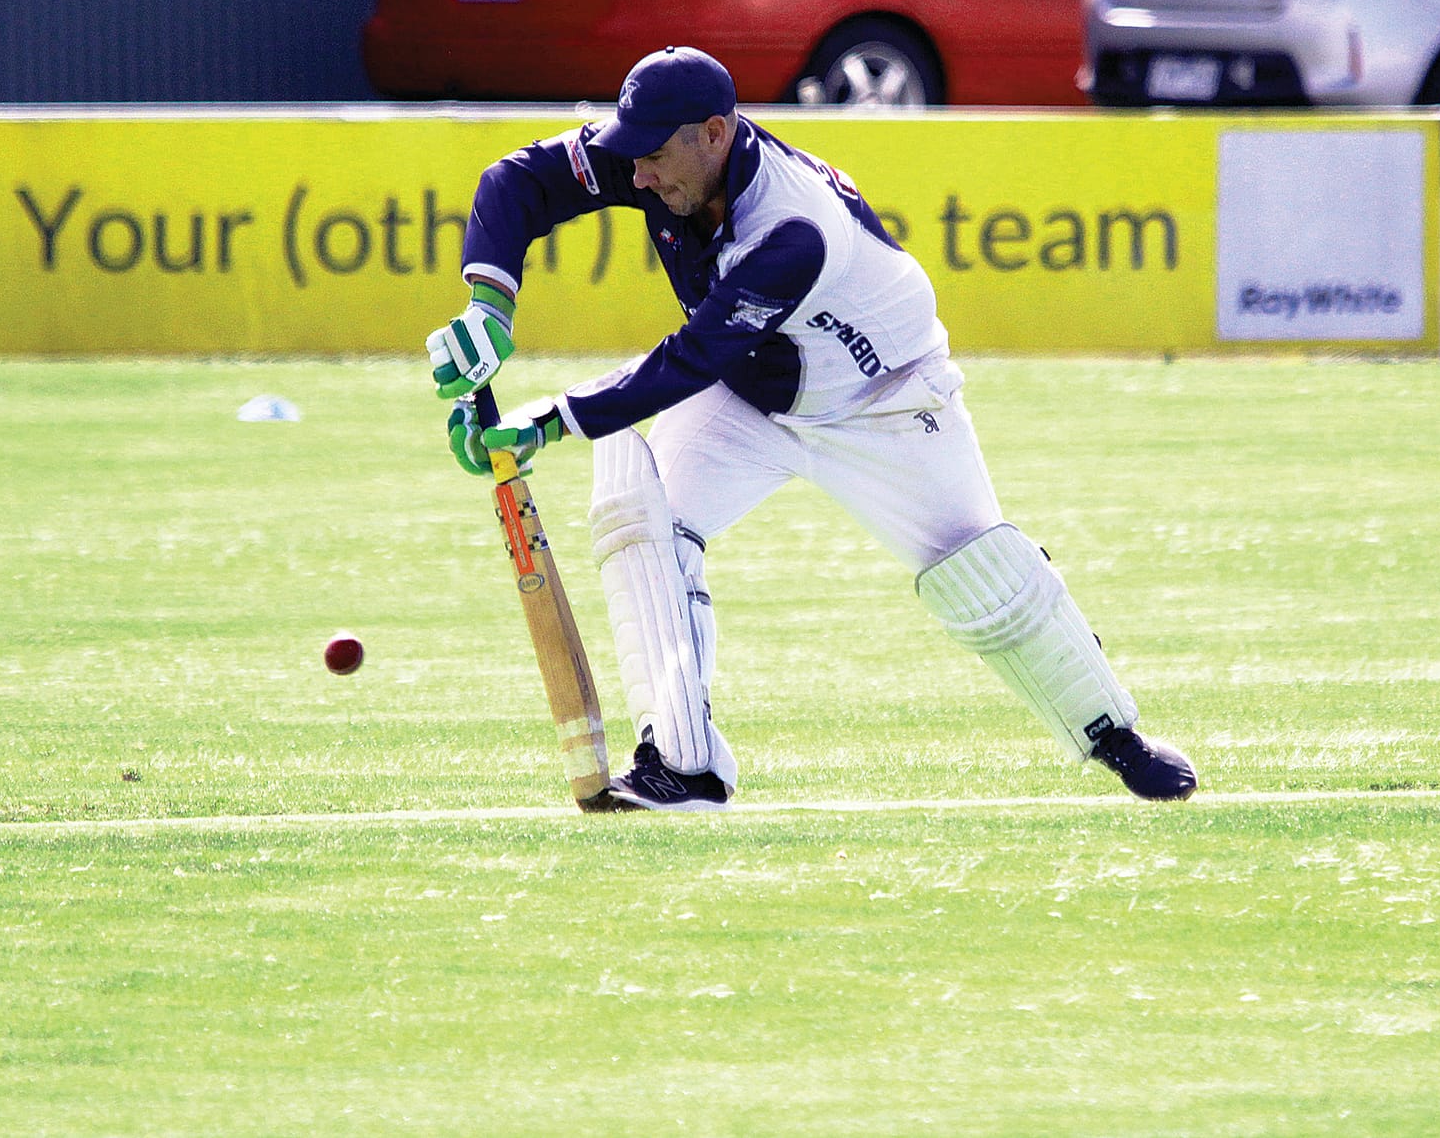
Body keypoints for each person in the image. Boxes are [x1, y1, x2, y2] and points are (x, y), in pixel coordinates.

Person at [426, 45, 1196, 811]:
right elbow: (516, 182)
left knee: (984, 579)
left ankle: (1115, 736)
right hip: (755, 390)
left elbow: (691, 357)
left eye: (656, 157)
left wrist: (546, 422)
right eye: (633, 155)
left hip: (885, 399)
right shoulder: (658, 152)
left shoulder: (793, 229)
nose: (639, 176)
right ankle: (682, 768)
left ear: (716, 132)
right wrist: (488, 306)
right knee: (643, 517)